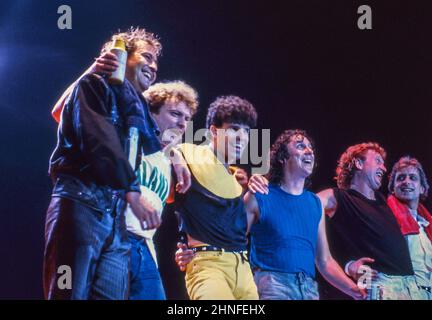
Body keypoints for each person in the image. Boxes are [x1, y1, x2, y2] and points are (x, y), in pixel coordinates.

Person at [44, 27, 165, 299]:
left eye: (156, 60)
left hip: (115, 218)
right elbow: (99, 141)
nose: (154, 66)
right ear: (122, 56)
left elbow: (152, 149)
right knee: (69, 293)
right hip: (80, 204)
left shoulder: (137, 112)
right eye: (147, 57)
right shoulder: (93, 86)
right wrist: (132, 190)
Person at [177, 130, 365, 300]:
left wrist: (356, 291)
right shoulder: (260, 196)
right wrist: (191, 251)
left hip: (309, 290)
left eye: (310, 147)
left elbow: (324, 261)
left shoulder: (314, 203)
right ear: (282, 158)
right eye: (300, 146)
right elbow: (227, 240)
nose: (309, 151)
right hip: (272, 286)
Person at [174, 95, 260, 300]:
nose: (242, 137)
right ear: (214, 131)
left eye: (246, 132)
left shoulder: (236, 179)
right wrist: (180, 246)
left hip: (243, 269)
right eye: (234, 129)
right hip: (208, 266)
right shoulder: (187, 154)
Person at [317, 143, 422, 300]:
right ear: (358, 164)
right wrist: (348, 267)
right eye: (378, 161)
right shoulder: (341, 198)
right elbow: (313, 202)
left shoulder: (386, 202)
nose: (384, 168)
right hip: (383, 289)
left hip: (412, 289)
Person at [386, 156, 432, 299]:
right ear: (393, 188)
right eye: (400, 178)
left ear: (422, 188)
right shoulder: (385, 218)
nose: (407, 181)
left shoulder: (427, 225)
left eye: (413, 177)